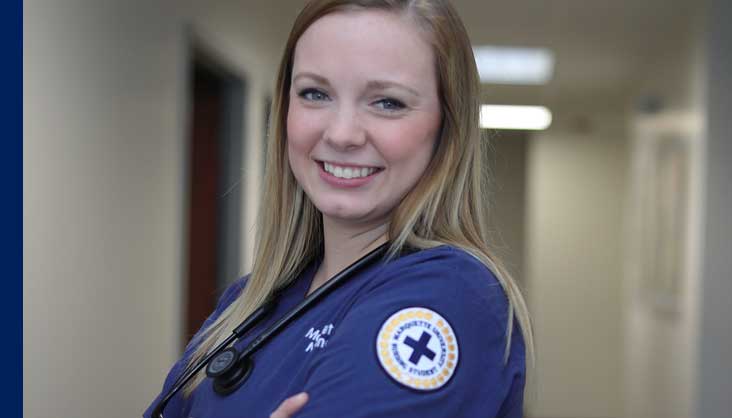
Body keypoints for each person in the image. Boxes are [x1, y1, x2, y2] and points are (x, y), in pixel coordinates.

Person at [145, 1, 534, 417]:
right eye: (315, 94)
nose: (342, 133)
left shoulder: (450, 299)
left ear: (448, 128)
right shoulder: (250, 303)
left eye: (387, 102)